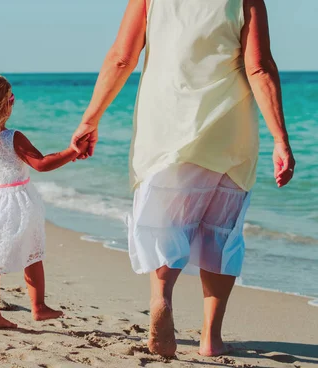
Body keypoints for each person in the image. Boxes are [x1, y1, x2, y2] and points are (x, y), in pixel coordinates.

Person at [71, 0, 295, 357]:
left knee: (167, 226)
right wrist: (280, 140)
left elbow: (121, 58)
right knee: (220, 234)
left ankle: (162, 298)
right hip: (229, 133)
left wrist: (90, 118)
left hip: (166, 130)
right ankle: (211, 338)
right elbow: (259, 68)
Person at [0, 72, 88, 329]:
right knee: (32, 253)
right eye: (11, 98)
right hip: (17, 203)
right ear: (3, 105)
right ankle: (37, 306)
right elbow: (41, 164)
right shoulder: (12, 137)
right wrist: (72, 152)